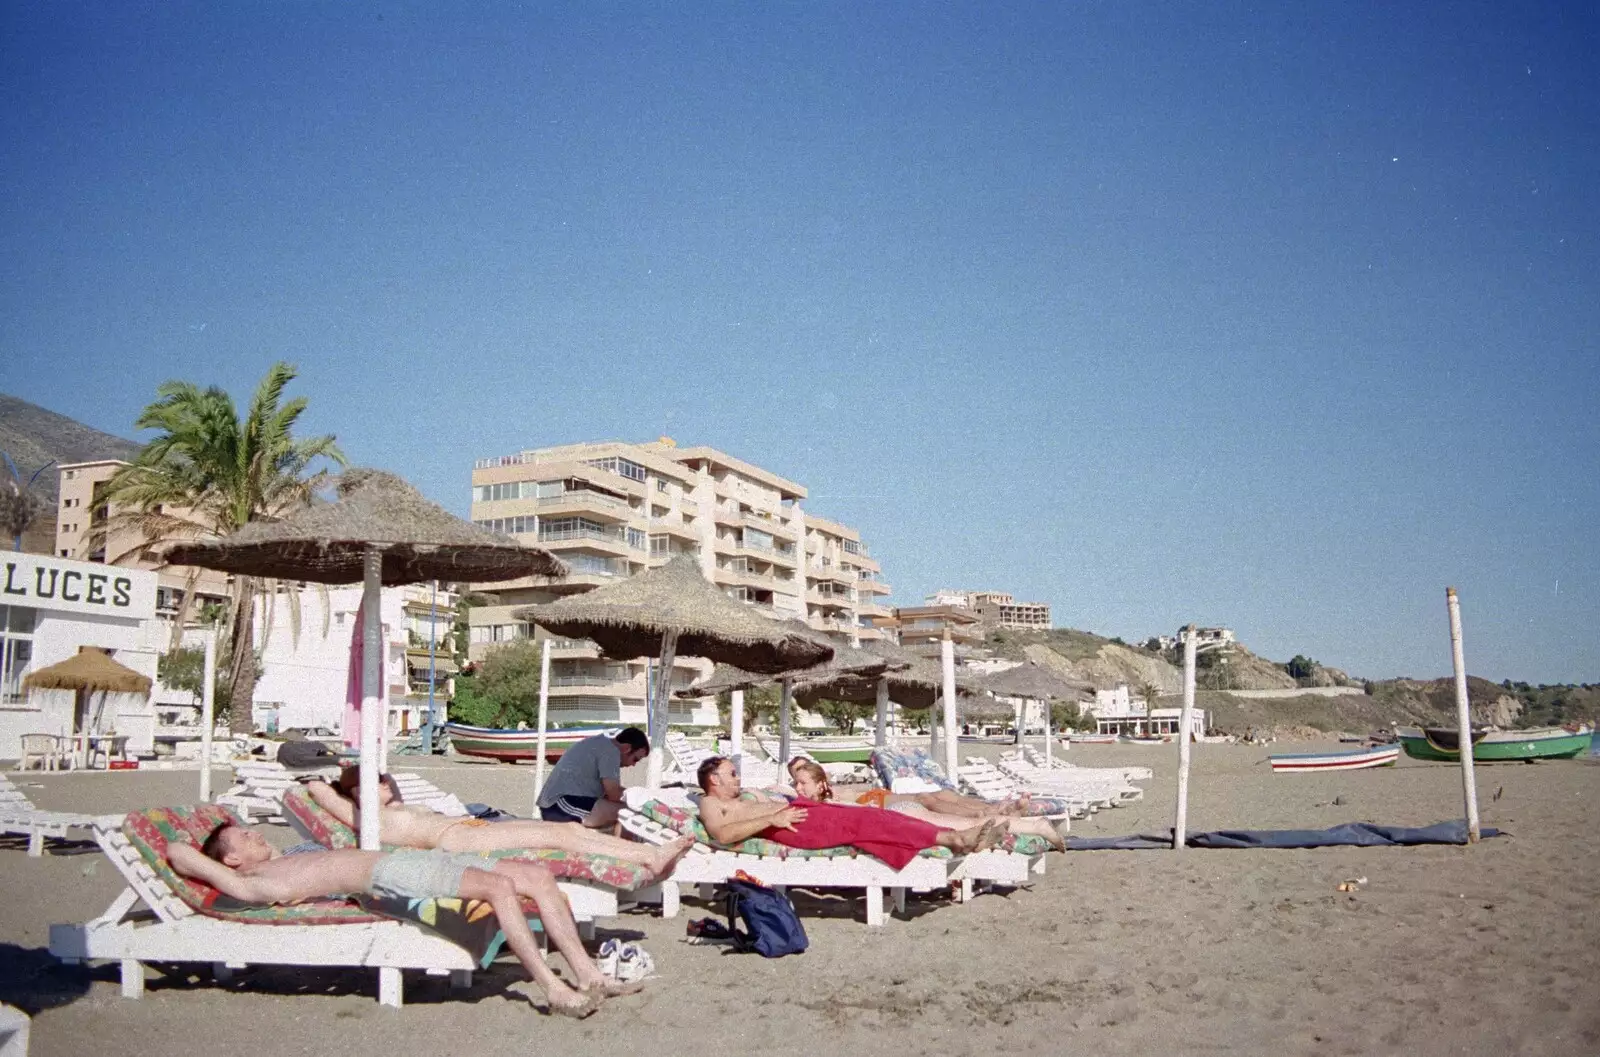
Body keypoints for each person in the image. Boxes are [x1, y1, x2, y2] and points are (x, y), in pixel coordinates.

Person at [169, 822, 643, 1018]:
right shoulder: (254, 882)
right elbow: (177, 851)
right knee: (499, 889)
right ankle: (552, 988)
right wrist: (213, 854)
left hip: (394, 860)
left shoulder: (287, 857)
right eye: (244, 838)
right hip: (389, 872)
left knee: (538, 876)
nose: (255, 836)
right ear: (229, 862)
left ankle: (587, 974)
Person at [305, 767, 692, 880]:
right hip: (455, 840)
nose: (386, 782)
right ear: (355, 795)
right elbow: (321, 792)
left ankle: (648, 855)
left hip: (465, 829)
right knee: (562, 833)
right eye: (375, 780)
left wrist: (366, 776)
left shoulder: (391, 807)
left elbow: (386, 786)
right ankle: (649, 855)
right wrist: (326, 777)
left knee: (572, 831)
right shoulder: (367, 817)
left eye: (385, 776)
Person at [695, 756, 1003, 870]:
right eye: (732, 773)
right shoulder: (710, 803)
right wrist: (772, 818)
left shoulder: (738, 797)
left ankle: (955, 838)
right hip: (793, 825)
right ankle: (951, 838)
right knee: (867, 821)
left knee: (878, 820)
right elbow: (721, 834)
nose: (738, 777)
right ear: (714, 779)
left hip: (800, 813)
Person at [787, 759, 1064, 852]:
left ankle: (1035, 825)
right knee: (964, 823)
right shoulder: (811, 803)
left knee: (963, 822)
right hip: (893, 817)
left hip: (894, 816)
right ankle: (1034, 825)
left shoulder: (833, 800)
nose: (797, 789)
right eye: (795, 783)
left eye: (802, 783)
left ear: (821, 783)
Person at [535, 727, 650, 828]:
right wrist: (643, 799)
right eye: (635, 759)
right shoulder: (611, 751)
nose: (633, 764)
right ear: (627, 748)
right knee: (628, 812)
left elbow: (611, 794)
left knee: (625, 809)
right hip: (560, 805)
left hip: (557, 803)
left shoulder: (602, 744)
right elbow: (614, 794)